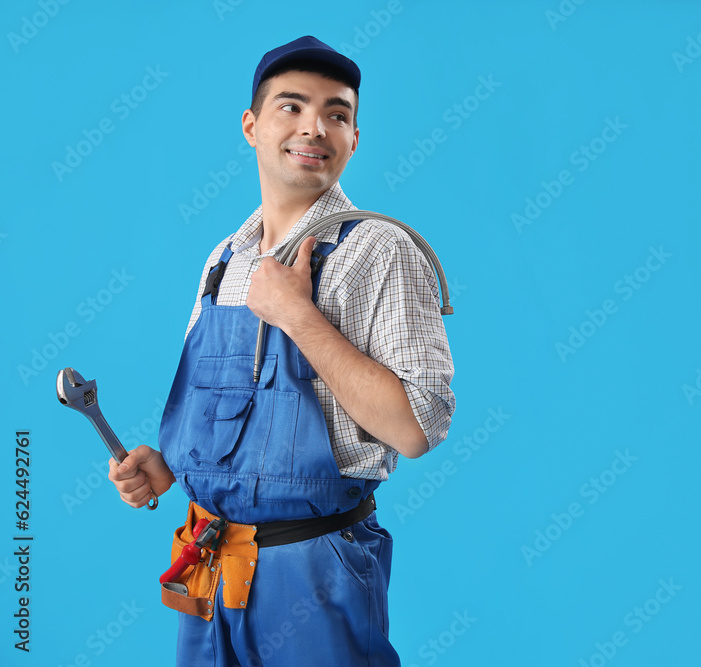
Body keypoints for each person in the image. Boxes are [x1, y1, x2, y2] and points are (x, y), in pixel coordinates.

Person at [107, 35, 456, 666]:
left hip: (316, 570)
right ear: (251, 126)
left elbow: (415, 427)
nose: (314, 127)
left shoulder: (379, 250)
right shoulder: (224, 260)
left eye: (337, 113)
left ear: (355, 138)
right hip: (211, 563)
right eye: (291, 107)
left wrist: (297, 313)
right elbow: (229, 408)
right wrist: (175, 469)